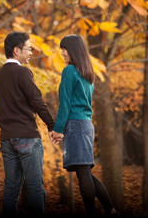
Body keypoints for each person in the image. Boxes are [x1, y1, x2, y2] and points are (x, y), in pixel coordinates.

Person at [50, 34, 119, 217]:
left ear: (73, 50)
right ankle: (110, 210)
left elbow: (65, 104)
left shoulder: (70, 71)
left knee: (83, 173)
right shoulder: (87, 73)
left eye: (64, 49)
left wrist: (58, 130)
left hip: (75, 125)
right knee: (84, 172)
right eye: (61, 49)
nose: (62, 52)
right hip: (86, 125)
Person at [0, 31, 56, 215]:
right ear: (16, 50)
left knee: (11, 189)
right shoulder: (22, 72)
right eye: (28, 49)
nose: (30, 53)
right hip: (27, 136)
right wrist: (52, 125)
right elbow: (37, 101)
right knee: (35, 187)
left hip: (7, 139)